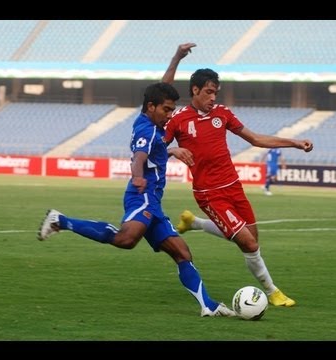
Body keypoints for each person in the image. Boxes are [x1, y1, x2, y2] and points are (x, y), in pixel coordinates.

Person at [37, 82, 235, 318]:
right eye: (166, 110)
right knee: (126, 239)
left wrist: (177, 58)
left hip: (154, 202)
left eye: (172, 110)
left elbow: (162, 88)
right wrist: (138, 177)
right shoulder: (147, 130)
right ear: (151, 106)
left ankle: (208, 306)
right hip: (142, 196)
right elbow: (139, 158)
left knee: (182, 253)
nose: (170, 115)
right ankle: (61, 220)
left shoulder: (148, 121)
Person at [162, 43, 314, 307]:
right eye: (208, 92)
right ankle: (272, 292)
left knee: (251, 238)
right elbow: (156, 150)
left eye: (215, 92)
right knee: (249, 244)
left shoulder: (223, 113)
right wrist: (173, 150)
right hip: (209, 193)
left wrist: (294, 142)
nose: (213, 97)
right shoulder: (178, 119)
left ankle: (195, 223)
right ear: (195, 90)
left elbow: (254, 138)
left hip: (233, 187)